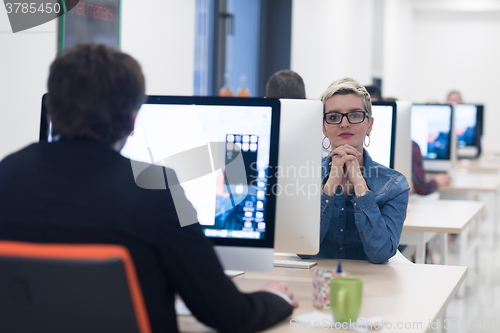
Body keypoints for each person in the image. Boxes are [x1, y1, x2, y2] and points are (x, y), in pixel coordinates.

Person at [0, 43, 296, 333]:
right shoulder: (156, 189)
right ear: (132, 120)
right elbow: (228, 315)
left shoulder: (6, 174)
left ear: (50, 113)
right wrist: (276, 297)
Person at [301, 77, 409, 264]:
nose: (344, 124)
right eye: (334, 117)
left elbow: (381, 253)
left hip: (375, 286)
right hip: (318, 283)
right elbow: (303, 250)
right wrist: (330, 185)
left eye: (355, 115)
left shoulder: (394, 185)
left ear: (370, 124)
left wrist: (360, 185)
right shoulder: (306, 176)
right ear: (323, 127)